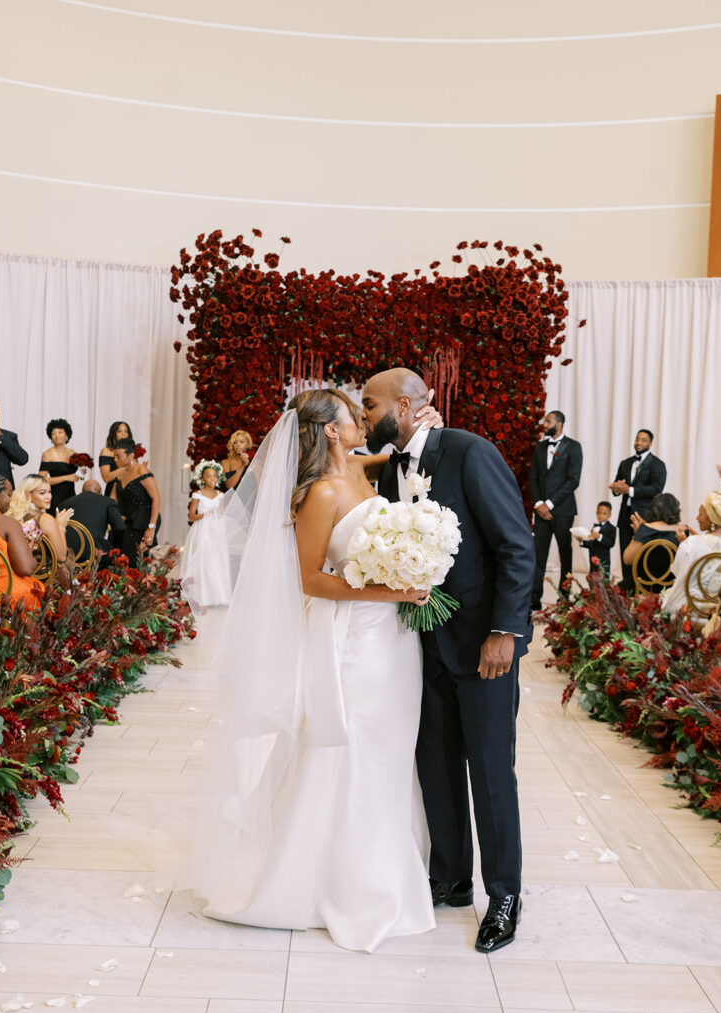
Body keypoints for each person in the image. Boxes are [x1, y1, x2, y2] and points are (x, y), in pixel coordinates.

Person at [192, 388, 438, 953]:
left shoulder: (358, 468)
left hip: (393, 638)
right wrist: (392, 588)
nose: (361, 422)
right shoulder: (322, 492)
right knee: (352, 748)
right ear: (331, 429)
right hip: (354, 638)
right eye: (355, 415)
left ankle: (384, 871)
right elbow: (310, 578)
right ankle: (334, 883)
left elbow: (406, 455)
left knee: (390, 750)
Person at [365, 368, 535, 954]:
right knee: (434, 767)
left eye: (371, 404)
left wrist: (505, 632)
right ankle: (452, 879)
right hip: (423, 647)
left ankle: (505, 894)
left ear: (406, 406)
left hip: (484, 646)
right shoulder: (389, 469)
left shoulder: (468, 451)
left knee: (491, 774)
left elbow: (516, 544)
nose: (365, 415)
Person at [528, 410, 582, 608]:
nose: (545, 424)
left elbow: (573, 481)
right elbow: (533, 477)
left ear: (559, 423)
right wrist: (538, 503)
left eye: (548, 421)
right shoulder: (540, 447)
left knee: (565, 554)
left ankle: (564, 597)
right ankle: (534, 598)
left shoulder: (574, 447)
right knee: (538, 555)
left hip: (563, 511)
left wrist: (549, 504)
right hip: (541, 511)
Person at [661, 492, 721, 622]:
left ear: (712, 518)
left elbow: (677, 572)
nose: (697, 518)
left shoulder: (691, 543)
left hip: (691, 606)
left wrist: (684, 545)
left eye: (701, 514)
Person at [610, 429, 667, 591]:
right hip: (625, 516)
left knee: (643, 555)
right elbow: (618, 486)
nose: (639, 443)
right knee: (625, 554)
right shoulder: (625, 463)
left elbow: (657, 489)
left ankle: (641, 589)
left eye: (643, 440)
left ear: (650, 443)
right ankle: (627, 589)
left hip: (646, 518)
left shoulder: (657, 464)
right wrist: (616, 488)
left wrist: (630, 490)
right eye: (637, 439)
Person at [0, 472, 42, 611]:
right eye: (9, 495)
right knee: (37, 590)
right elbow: (25, 568)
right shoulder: (8, 523)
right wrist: (28, 552)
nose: (11, 500)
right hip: (0, 597)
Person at [180, 462, 232, 609]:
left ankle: (217, 595)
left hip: (217, 530)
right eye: (209, 476)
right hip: (202, 530)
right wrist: (206, 514)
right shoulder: (198, 494)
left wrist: (219, 515)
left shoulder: (220, 494)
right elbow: (191, 517)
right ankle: (200, 597)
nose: (212, 479)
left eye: (215, 476)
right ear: (202, 479)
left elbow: (222, 511)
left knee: (217, 560)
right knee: (202, 560)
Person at [113, 439, 160, 567]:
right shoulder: (120, 474)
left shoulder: (142, 471)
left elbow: (156, 499)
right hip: (128, 522)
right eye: (114, 457)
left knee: (137, 561)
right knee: (124, 559)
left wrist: (151, 528)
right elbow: (112, 500)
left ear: (131, 456)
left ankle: (139, 585)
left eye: (118, 456)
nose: (115, 460)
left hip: (144, 521)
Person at [621, 492, 682, 591]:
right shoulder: (682, 530)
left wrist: (637, 534)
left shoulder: (645, 529)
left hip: (644, 584)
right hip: (673, 586)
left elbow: (627, 560)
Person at [8, 474, 73, 564]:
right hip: (42, 573)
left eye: (49, 492)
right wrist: (61, 526)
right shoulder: (45, 519)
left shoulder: (13, 515)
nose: (49, 496)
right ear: (28, 495)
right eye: (42, 493)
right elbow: (61, 557)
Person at [58, 479, 125, 554]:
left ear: (82, 491)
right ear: (100, 491)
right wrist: (115, 548)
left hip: (67, 552)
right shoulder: (107, 502)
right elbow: (120, 527)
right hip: (94, 551)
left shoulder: (64, 504)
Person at [38, 418, 83, 512]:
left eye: (60, 432)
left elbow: (77, 477)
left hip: (71, 496)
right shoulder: (47, 454)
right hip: (54, 498)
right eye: (53, 433)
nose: (56, 435)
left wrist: (82, 472)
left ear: (66, 434)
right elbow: (41, 480)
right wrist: (67, 477)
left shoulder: (73, 453)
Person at [99, 422, 143, 499]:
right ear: (113, 433)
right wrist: (126, 468)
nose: (123, 434)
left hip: (130, 491)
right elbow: (106, 478)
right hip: (114, 491)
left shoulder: (131, 451)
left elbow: (135, 472)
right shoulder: (106, 451)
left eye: (126, 431)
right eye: (119, 431)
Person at [580, 501, 617, 578]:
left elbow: (611, 543)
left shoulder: (612, 528)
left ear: (609, 515)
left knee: (603, 581)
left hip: (604, 561)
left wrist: (599, 537)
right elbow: (591, 543)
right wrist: (581, 541)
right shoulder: (594, 527)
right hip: (593, 559)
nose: (601, 516)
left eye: (604, 514)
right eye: (599, 513)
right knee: (593, 580)